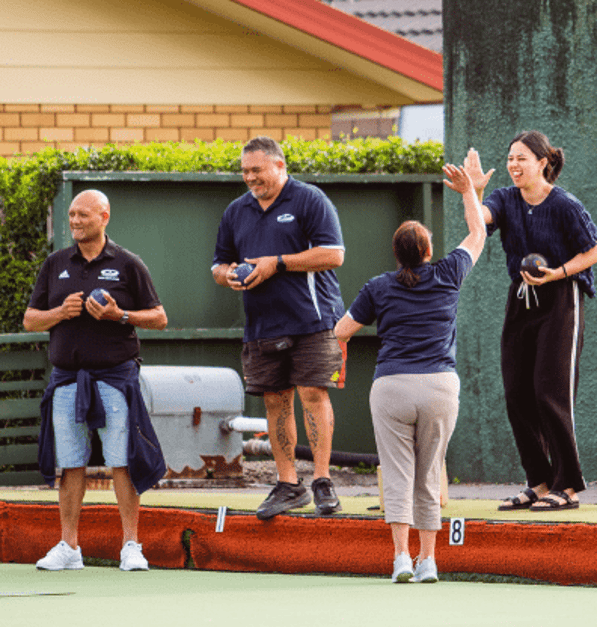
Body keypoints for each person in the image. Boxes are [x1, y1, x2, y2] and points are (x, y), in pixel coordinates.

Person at [334, 164, 486, 583]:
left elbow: (341, 331)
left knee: (398, 473)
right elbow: (478, 233)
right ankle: (428, 561)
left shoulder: (378, 286)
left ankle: (401, 558)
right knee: (429, 471)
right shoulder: (449, 273)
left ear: (397, 253)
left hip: (392, 387)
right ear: (428, 250)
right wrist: (468, 191)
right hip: (439, 386)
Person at [24, 189, 168, 571]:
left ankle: (131, 546)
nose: (75, 221)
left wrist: (119, 315)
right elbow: (30, 320)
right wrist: (60, 312)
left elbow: (159, 317)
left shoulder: (128, 264)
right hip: (66, 380)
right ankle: (69, 547)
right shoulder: (55, 263)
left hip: (115, 378)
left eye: (83, 215)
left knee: (122, 461)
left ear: (104, 217)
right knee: (71, 464)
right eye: (72, 215)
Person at [212, 136, 346, 520]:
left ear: (279, 166)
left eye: (257, 170)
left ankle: (322, 480)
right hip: (262, 325)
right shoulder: (236, 211)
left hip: (313, 320)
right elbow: (219, 264)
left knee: (312, 393)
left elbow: (334, 254)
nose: (250, 177)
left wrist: (278, 263)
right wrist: (228, 275)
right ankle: (289, 484)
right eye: (245, 171)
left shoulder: (310, 200)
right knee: (275, 401)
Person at [464, 131, 597, 512]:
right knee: (517, 393)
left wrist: (559, 273)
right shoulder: (505, 199)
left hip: (562, 297)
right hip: (521, 298)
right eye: (510, 158)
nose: (513, 165)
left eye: (521, 158)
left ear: (542, 162)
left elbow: (593, 249)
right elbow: (478, 224)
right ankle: (539, 483)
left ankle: (567, 486)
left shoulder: (565, 205)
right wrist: (471, 190)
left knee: (549, 393)